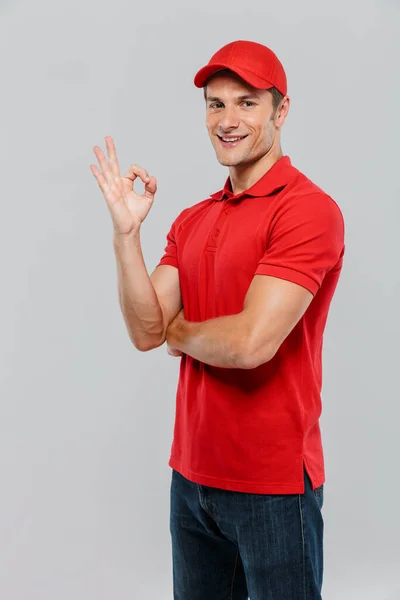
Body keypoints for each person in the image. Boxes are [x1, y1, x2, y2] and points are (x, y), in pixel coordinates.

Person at [90, 39, 345, 600]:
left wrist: (175, 332)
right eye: (215, 104)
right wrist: (127, 236)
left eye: (247, 103)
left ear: (281, 111)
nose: (227, 120)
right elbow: (142, 331)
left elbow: (252, 342)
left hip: (273, 485)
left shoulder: (307, 210)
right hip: (191, 479)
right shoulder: (193, 218)